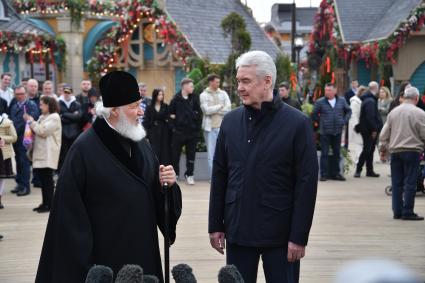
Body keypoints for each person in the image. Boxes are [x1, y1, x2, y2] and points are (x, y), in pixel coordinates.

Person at [35, 71, 182, 283]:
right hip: (106, 258)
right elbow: (68, 219)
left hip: (144, 250)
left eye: (140, 104)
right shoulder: (83, 150)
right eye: (133, 107)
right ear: (113, 111)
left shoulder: (140, 141)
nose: (141, 112)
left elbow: (152, 190)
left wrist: (165, 185)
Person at [209, 51, 318, 283]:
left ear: (267, 81)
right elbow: (220, 175)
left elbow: (306, 184)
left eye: (246, 81)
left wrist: (299, 237)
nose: (240, 87)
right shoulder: (230, 122)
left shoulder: (298, 124)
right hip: (237, 229)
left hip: (281, 234)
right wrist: (215, 225)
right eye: (238, 81)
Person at [379, 87, 425, 221]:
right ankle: (408, 211)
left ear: (404, 97)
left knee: (396, 182)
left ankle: (397, 211)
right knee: (410, 182)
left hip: (395, 151)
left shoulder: (393, 113)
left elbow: (384, 135)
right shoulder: (420, 113)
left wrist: (383, 150)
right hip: (412, 151)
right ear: (416, 98)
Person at [24, 96, 61, 213]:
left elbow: (43, 131)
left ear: (48, 105)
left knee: (47, 181)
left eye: (42, 105)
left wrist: (31, 122)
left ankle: (50, 204)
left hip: (48, 153)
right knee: (43, 180)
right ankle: (45, 203)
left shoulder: (54, 117)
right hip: (41, 153)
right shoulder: (42, 117)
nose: (40, 107)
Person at [312, 83, 352, 181]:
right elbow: (314, 114)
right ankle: (324, 174)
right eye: (326, 90)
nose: (327, 92)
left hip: (337, 131)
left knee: (337, 153)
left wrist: (344, 121)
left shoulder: (341, 100)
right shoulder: (320, 102)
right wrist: (321, 122)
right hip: (325, 132)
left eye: (329, 90)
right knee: (324, 154)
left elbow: (348, 111)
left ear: (335, 91)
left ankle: (336, 173)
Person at [169, 78, 202, 185]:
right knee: (175, 155)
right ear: (184, 86)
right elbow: (170, 115)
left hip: (192, 133)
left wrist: (196, 127)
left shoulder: (195, 98)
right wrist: (173, 128)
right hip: (178, 132)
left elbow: (199, 114)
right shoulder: (175, 99)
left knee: (191, 155)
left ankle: (189, 175)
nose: (193, 88)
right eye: (191, 86)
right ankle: (176, 174)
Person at [9, 85, 39, 196]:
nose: (20, 96)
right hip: (15, 139)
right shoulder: (14, 105)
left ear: (26, 94)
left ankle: (26, 187)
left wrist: (15, 130)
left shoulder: (31, 105)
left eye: (21, 94)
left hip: (25, 139)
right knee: (18, 162)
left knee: (24, 162)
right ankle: (20, 183)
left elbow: (33, 118)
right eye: (17, 94)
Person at [200, 74, 231, 178]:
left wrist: (215, 110)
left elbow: (228, 109)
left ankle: (223, 176)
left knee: (224, 153)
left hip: (222, 128)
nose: (218, 83)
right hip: (210, 129)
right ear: (211, 82)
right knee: (211, 155)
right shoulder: (204, 95)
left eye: (219, 82)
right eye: (217, 82)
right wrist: (219, 106)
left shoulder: (223, 93)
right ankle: (213, 177)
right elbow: (206, 111)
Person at [354, 81, 383, 178]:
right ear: (375, 88)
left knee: (370, 149)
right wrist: (374, 129)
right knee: (367, 149)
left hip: (366, 128)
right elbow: (370, 117)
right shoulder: (370, 101)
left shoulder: (369, 99)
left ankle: (369, 170)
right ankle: (358, 169)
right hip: (368, 130)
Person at [143, 88, 172, 165]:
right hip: (153, 131)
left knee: (164, 150)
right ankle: (155, 169)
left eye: (162, 94)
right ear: (155, 95)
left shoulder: (165, 106)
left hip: (164, 131)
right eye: (159, 94)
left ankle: (164, 169)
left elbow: (168, 118)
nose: (161, 96)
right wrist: (146, 134)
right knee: (154, 150)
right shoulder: (149, 107)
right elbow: (146, 121)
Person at [58, 85, 82, 172]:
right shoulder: (58, 103)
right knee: (63, 155)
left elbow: (78, 117)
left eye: (68, 92)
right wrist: (72, 115)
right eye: (65, 92)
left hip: (74, 134)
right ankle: (63, 172)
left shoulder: (77, 103)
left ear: (71, 93)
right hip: (62, 134)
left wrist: (64, 114)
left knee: (73, 154)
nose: (66, 94)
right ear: (63, 92)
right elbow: (58, 118)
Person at [0, 113, 17, 209]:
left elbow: (14, 137)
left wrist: (3, 138)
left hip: (3, 154)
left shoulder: (7, 122)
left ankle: (0, 199)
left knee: (1, 178)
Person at [348, 86, 367, 165]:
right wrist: (356, 125)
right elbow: (353, 115)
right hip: (357, 125)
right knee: (359, 143)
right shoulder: (355, 102)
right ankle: (358, 159)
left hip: (359, 124)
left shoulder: (358, 101)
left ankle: (359, 159)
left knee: (360, 143)